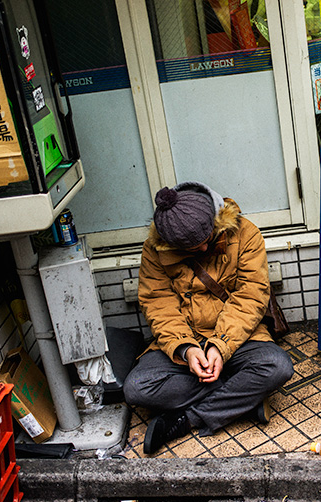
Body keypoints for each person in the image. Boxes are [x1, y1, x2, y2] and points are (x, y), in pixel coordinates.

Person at [124, 181, 295, 454]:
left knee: (278, 366)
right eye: (192, 248)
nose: (203, 251)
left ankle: (185, 420)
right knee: (136, 388)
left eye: (205, 241)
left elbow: (251, 296)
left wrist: (220, 345)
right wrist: (187, 349)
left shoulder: (245, 234)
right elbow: (159, 305)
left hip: (239, 338)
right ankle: (246, 396)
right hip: (185, 340)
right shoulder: (154, 251)